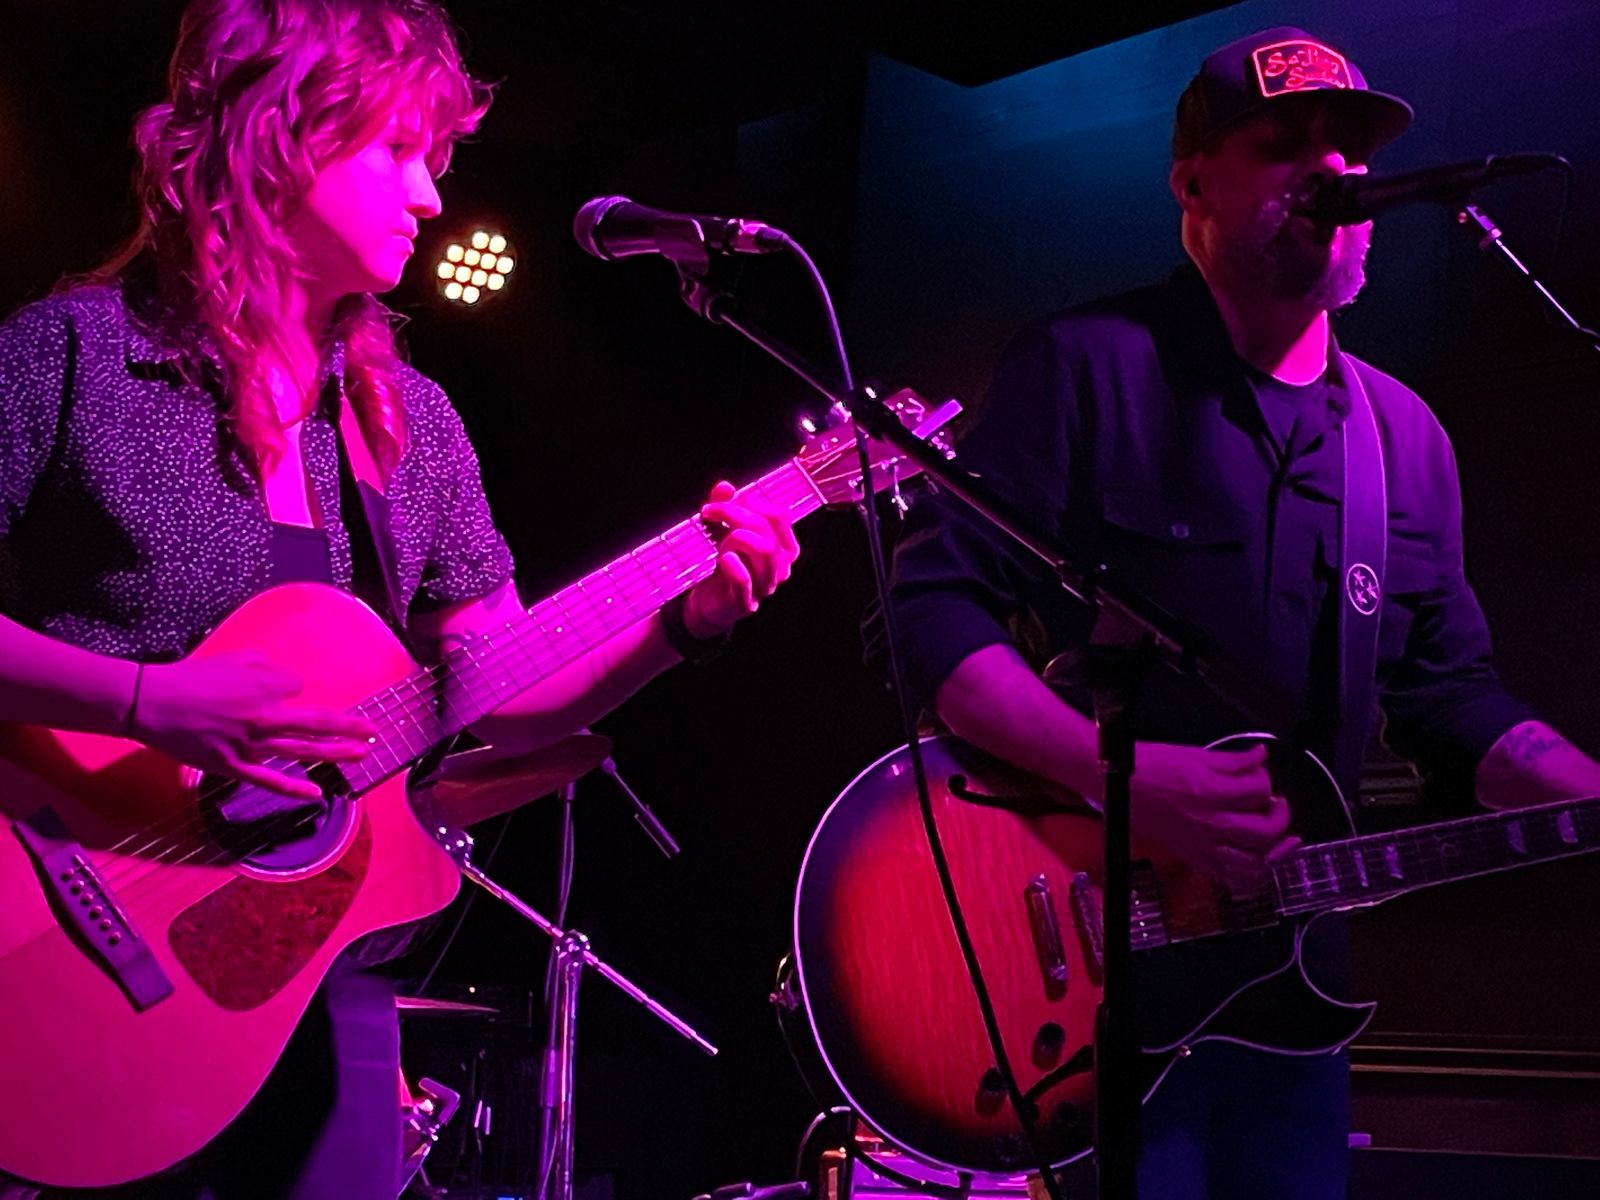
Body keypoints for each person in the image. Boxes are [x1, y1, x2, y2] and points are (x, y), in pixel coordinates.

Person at [0, 0, 798, 1195]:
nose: (428, 197)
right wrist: (144, 701)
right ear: (279, 138)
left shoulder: (410, 425)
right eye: (397, 151)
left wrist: (685, 623)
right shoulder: (69, 356)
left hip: (311, 998)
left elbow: (503, 694)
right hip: (62, 920)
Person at [883, 25, 1600, 1199]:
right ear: (1191, 184)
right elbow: (934, 619)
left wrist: (1583, 789)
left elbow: (1451, 701)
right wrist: (1126, 781)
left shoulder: (1403, 441)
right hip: (1096, 991)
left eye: (1350, 148)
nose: (1332, 172)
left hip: (1289, 1000)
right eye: (1283, 143)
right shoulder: (1085, 367)